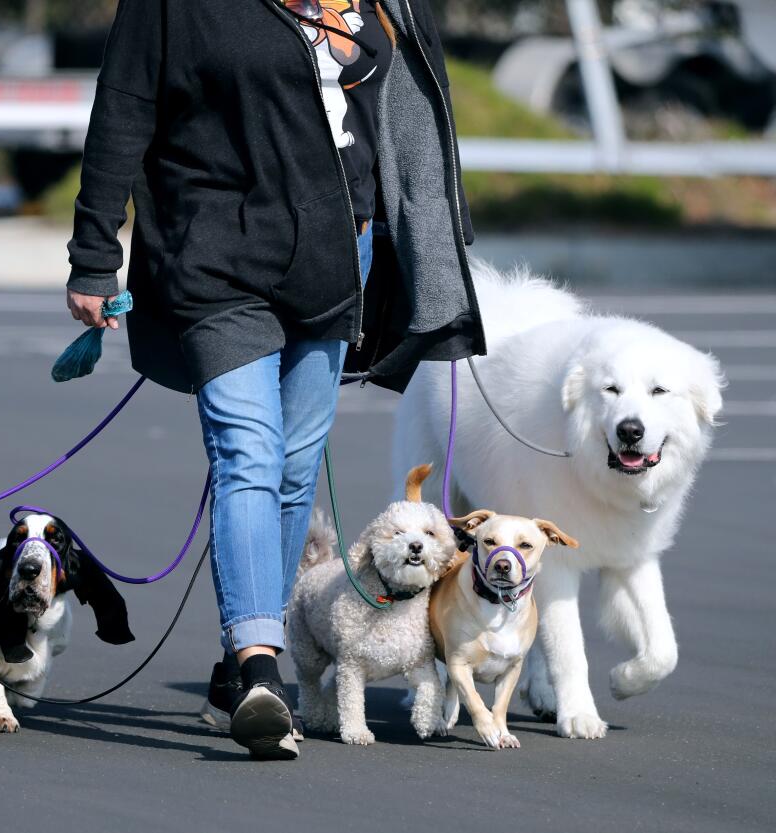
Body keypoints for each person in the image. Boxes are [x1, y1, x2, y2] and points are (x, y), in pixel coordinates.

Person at [64, 0, 485, 760]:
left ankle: (240, 666)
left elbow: (404, 113)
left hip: (337, 259)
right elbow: (123, 104)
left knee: (295, 467)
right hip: (213, 253)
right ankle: (261, 664)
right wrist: (94, 251)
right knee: (249, 452)